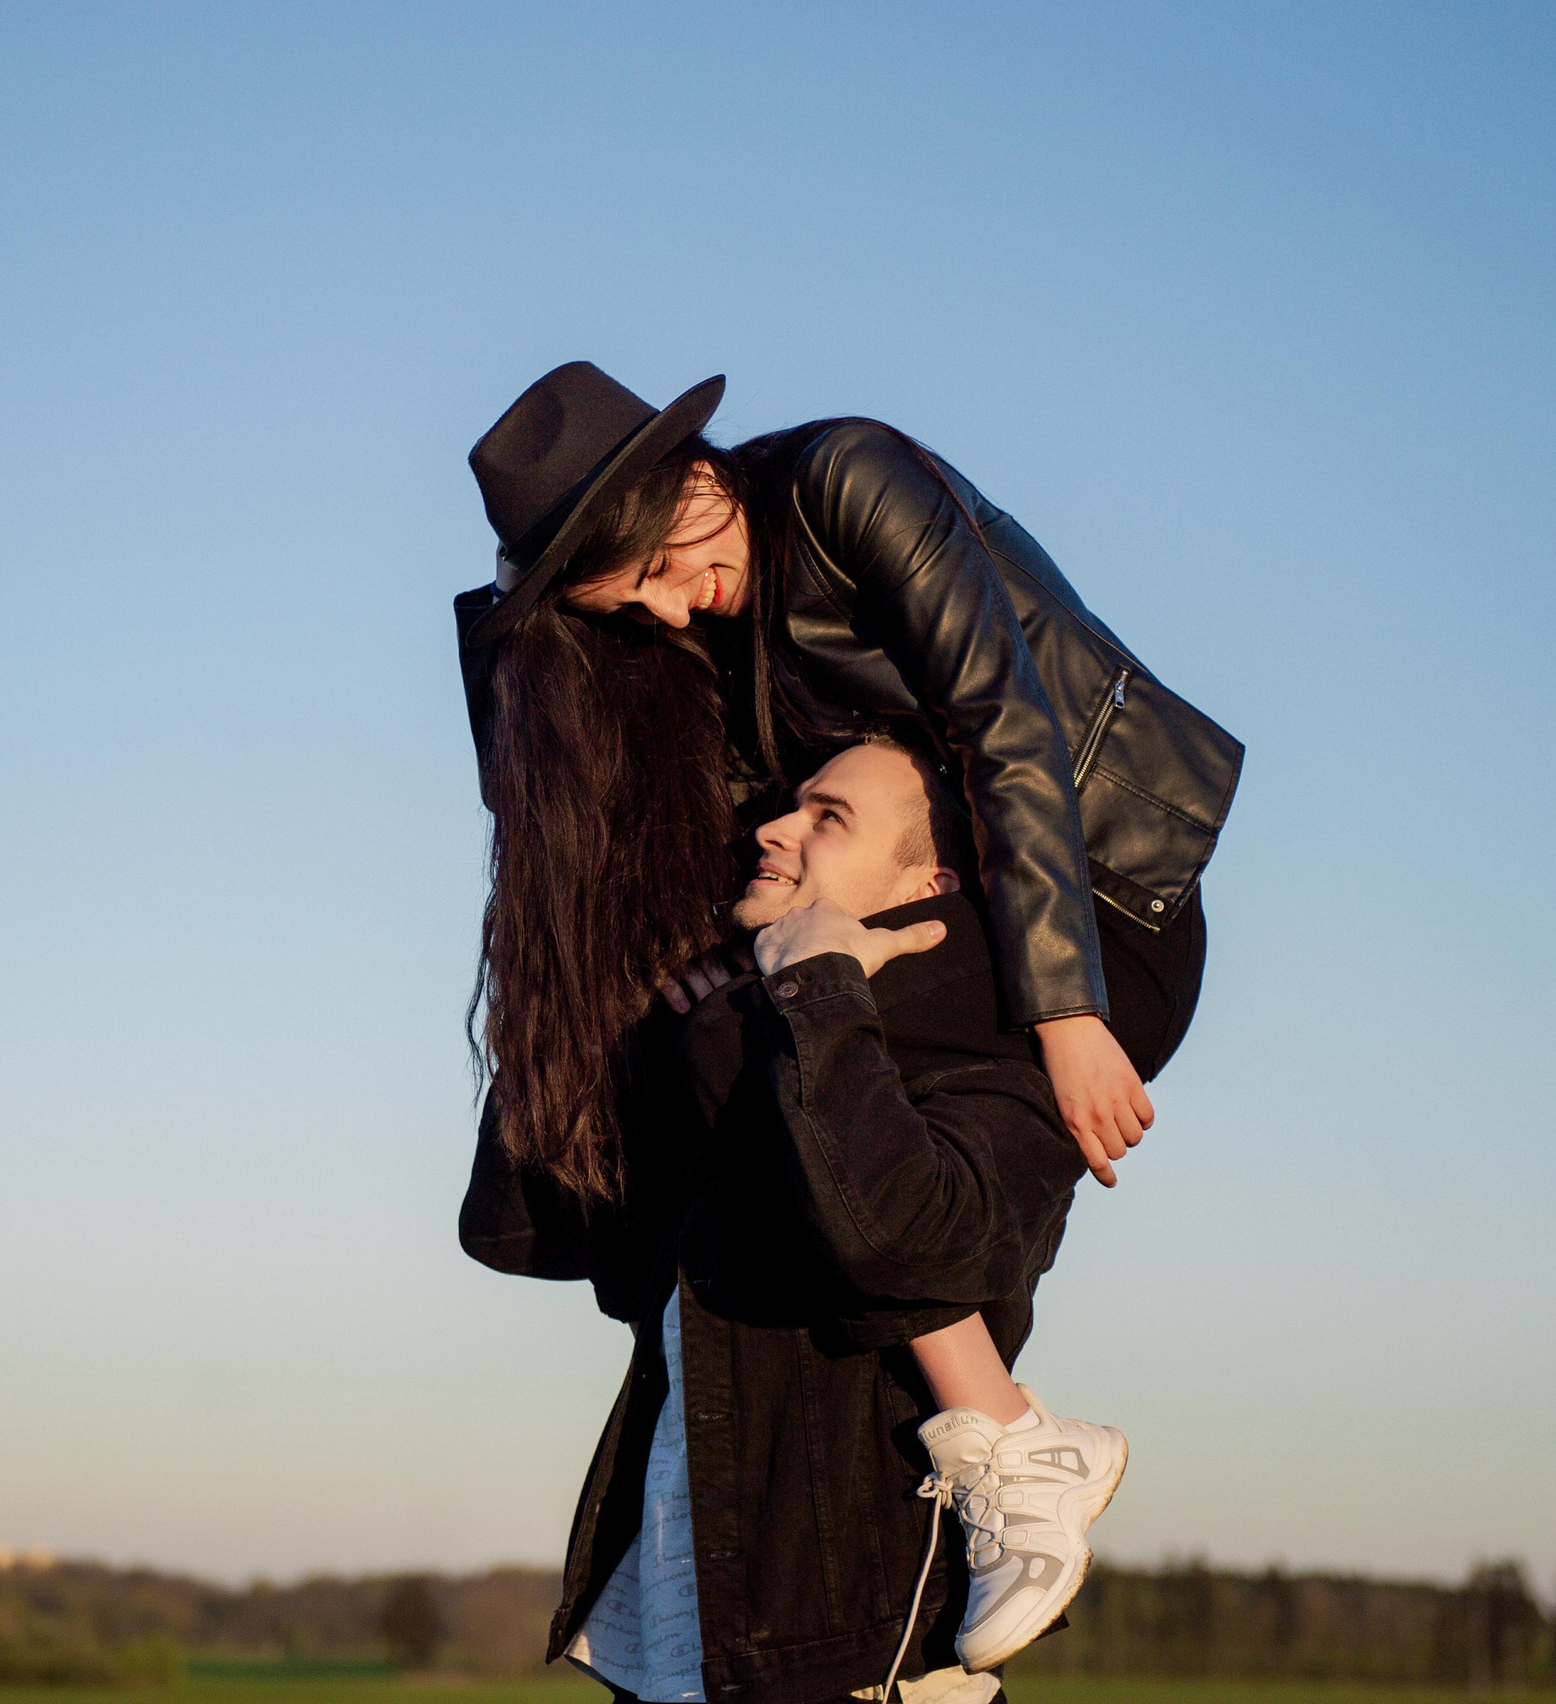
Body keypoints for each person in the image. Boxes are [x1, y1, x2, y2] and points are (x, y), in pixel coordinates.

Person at [453, 362, 1241, 1663]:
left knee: (767, 1051)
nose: (666, 609)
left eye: (656, 567)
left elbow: (1010, 723)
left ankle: (1005, 1451)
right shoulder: (700, 605)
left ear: (694, 475)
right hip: (931, 901)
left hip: (1094, 904)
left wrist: (1064, 1008)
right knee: (712, 1035)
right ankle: (936, 1445)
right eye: (631, 602)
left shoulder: (847, 482)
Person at [462, 737, 1118, 1703]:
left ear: (924, 886)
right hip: (671, 1645)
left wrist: (816, 988)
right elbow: (519, 1229)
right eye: (790, 805)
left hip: (854, 1650)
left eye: (830, 817)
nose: (773, 828)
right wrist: (615, 1032)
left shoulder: (997, 1078)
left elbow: (893, 1238)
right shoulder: (730, 1052)